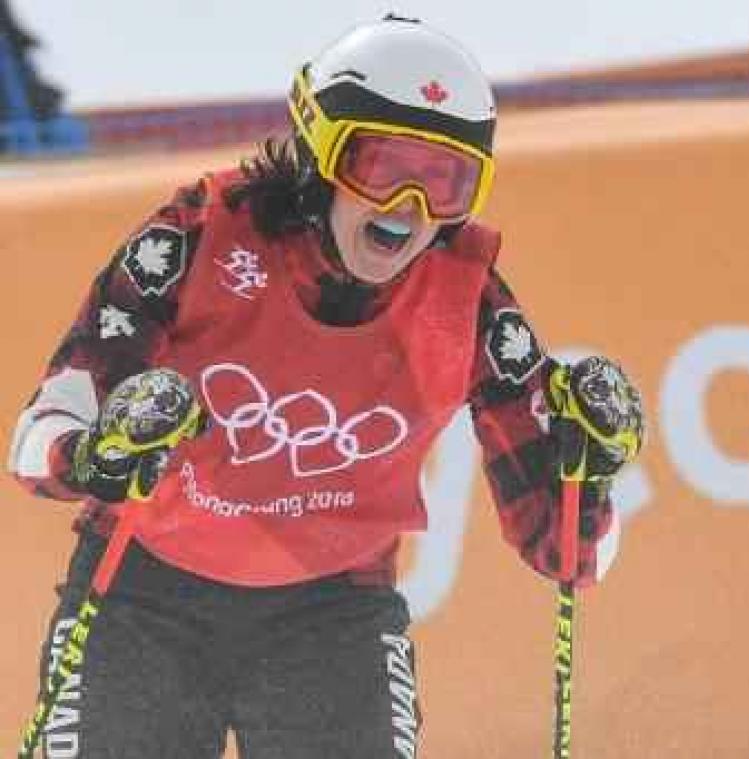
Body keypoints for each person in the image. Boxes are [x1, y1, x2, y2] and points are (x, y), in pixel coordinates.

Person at [7, 14, 644, 758]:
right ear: (320, 152)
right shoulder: (199, 235)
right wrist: (98, 454)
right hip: (143, 599)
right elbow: (37, 438)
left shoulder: (465, 299)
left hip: (329, 616)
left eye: (446, 182)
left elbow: (571, 555)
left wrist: (585, 472)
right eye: (381, 167)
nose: (409, 209)